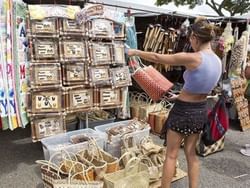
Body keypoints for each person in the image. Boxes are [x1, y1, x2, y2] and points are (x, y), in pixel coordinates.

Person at [127, 17, 222, 188]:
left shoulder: (194, 58)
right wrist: (179, 95)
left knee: (171, 155)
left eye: (191, 39)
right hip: (200, 110)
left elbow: (158, 57)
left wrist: (135, 52)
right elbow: (201, 87)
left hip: (183, 112)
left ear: (195, 38)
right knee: (191, 154)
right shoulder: (217, 61)